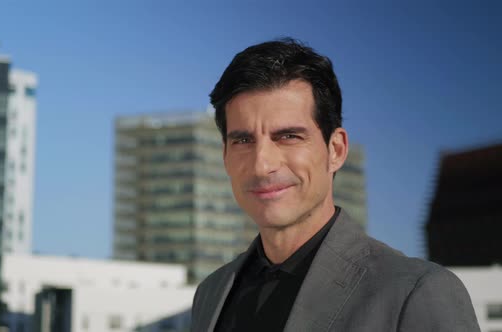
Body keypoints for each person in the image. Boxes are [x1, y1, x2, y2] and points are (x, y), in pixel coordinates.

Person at [190, 38, 479, 332]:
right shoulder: (211, 293)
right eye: (242, 140)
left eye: (288, 136)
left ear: (336, 150)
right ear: (225, 156)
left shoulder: (415, 294)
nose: (262, 164)